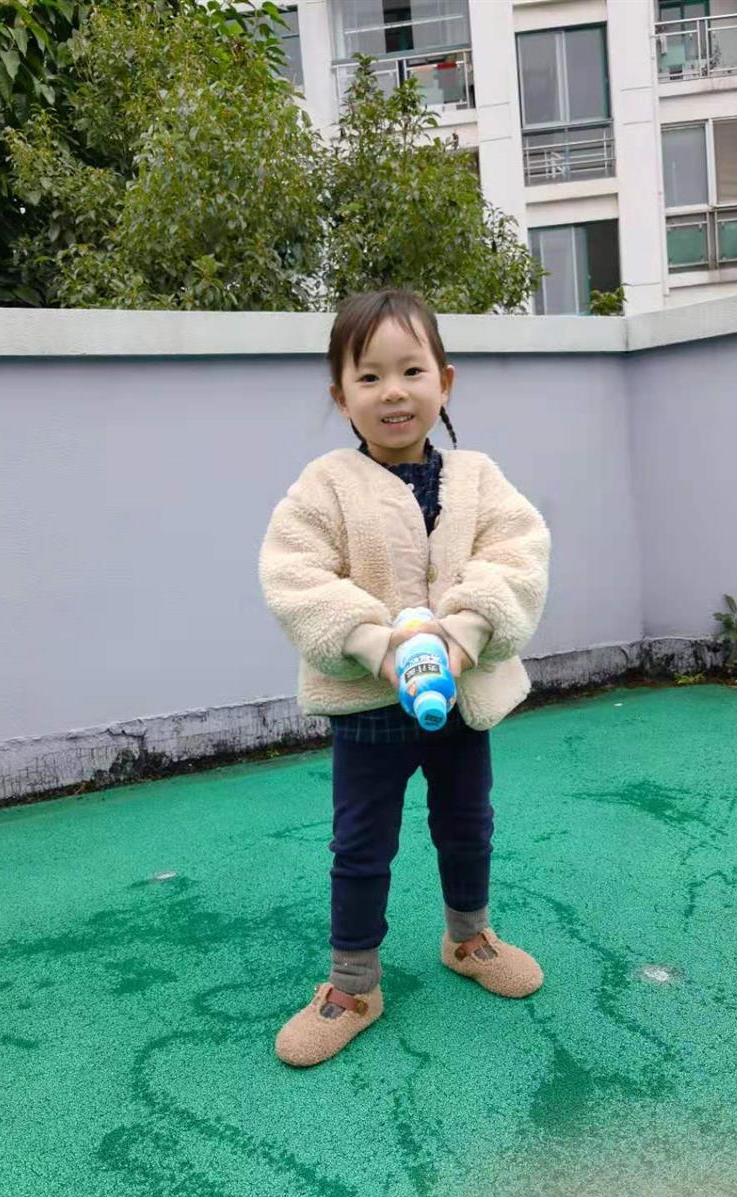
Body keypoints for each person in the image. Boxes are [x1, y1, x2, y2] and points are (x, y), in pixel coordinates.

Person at [258, 287, 551, 1068]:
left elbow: (517, 556)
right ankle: (353, 983)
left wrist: (465, 635)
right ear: (341, 396)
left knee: (467, 823)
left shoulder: (478, 477)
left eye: (412, 371)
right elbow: (295, 577)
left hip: (461, 698)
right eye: (369, 376)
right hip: (368, 706)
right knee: (360, 845)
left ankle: (469, 938)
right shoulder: (324, 486)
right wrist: (374, 644)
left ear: (444, 382)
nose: (393, 392)